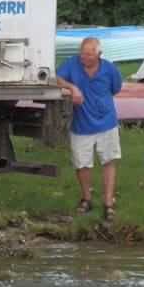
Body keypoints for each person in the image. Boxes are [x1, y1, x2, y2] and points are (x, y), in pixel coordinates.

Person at [55, 37, 122, 220]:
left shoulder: (110, 69)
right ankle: (86, 198)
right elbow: (56, 77)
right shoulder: (72, 63)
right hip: (81, 123)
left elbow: (115, 89)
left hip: (106, 122)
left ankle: (108, 202)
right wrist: (72, 87)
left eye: (89, 55)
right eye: (82, 53)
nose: (84, 57)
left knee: (108, 160)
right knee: (81, 162)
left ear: (99, 55)